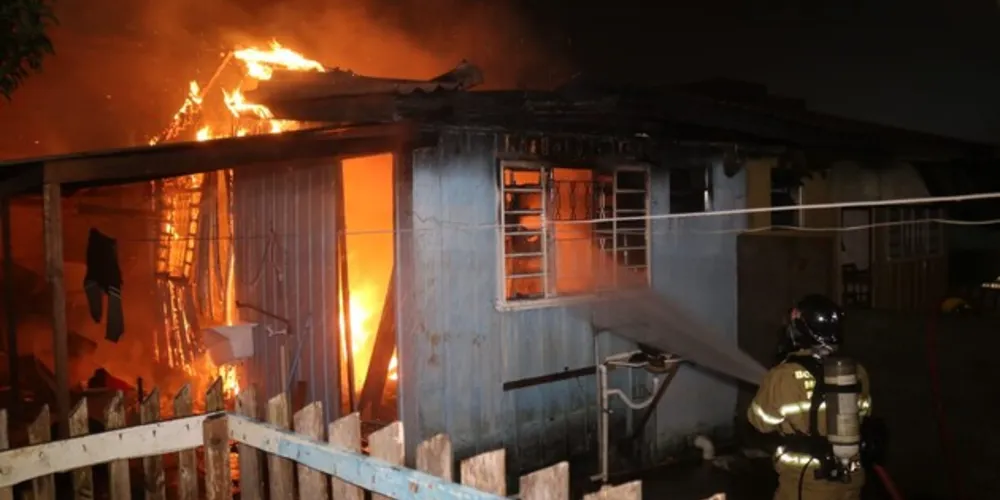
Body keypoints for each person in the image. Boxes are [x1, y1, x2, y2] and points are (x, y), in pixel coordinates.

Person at [748, 294, 873, 500]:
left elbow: (760, 421)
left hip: (806, 481)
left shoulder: (783, 376)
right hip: (851, 477)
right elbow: (865, 413)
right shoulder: (857, 371)